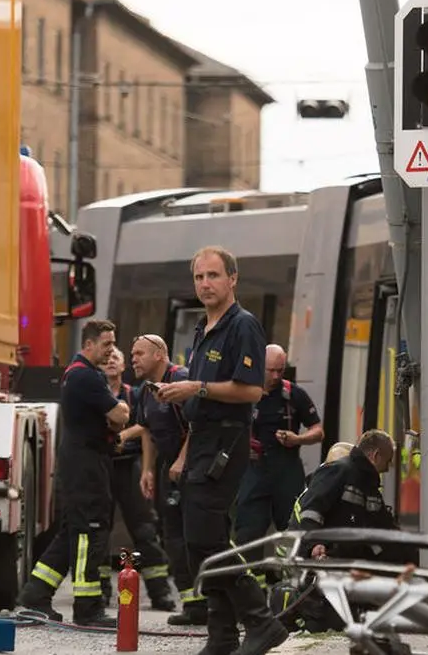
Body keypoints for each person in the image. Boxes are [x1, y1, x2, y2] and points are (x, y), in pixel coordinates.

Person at [155, 246, 288, 655]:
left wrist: (197, 388)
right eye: (199, 277)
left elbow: (251, 389)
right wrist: (180, 398)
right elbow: (202, 395)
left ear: (233, 279)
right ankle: (223, 635)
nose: (205, 284)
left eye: (213, 276)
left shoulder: (243, 325)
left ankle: (261, 622)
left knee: (205, 537)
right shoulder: (202, 327)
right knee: (202, 542)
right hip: (202, 439)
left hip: (226, 441)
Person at [17, 320, 129, 626]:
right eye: (106, 344)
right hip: (86, 466)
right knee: (87, 535)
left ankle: (35, 595)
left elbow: (113, 419)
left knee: (70, 533)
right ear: (89, 344)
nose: (111, 351)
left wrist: (113, 420)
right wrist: (117, 416)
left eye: (113, 344)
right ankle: (87, 607)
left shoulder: (83, 373)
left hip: (84, 463)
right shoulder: (85, 377)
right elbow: (120, 414)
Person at [268, 430, 410, 634]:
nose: (388, 468)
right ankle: (287, 599)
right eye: (387, 461)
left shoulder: (369, 487)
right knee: (321, 622)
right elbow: (311, 512)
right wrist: (315, 545)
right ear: (375, 455)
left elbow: (384, 527)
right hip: (316, 561)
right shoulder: (339, 471)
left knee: (347, 620)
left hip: (342, 564)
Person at [130, 333, 209, 626]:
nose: (133, 359)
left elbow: (198, 423)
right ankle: (193, 605)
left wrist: (181, 459)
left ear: (159, 355)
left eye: (139, 353)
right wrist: (148, 469)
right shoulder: (144, 390)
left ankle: (217, 602)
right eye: (132, 353)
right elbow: (148, 430)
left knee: (198, 535)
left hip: (194, 466)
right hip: (169, 468)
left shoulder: (181, 381)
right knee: (173, 538)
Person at [234, 343, 324, 583]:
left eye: (280, 370)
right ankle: (250, 587)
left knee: (292, 529)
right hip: (253, 471)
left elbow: (318, 431)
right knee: (248, 532)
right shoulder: (242, 393)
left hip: (287, 470)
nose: (275, 376)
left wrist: (297, 439)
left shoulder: (293, 395)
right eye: (270, 370)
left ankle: (289, 584)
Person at [99, 349, 176, 611]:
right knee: (99, 530)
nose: (111, 361)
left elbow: (147, 430)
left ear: (123, 367)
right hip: (102, 467)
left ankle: (160, 592)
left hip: (129, 467)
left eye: (116, 359)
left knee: (144, 528)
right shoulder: (95, 391)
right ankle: (100, 592)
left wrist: (147, 469)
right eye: (107, 358)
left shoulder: (135, 394)